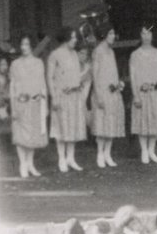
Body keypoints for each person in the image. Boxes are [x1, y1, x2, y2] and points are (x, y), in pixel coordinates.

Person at [47, 27, 89, 174]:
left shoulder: (74, 54)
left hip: (74, 95)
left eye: (75, 37)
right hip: (61, 96)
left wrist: (85, 75)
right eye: (72, 37)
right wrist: (54, 97)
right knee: (61, 128)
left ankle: (71, 158)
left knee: (72, 127)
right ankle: (61, 159)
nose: (75, 40)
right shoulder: (55, 55)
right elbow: (50, 78)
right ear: (65, 38)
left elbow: (77, 76)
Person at [8, 36, 50, 179]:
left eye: (27, 44)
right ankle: (22, 164)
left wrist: (45, 105)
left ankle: (30, 163)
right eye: (22, 44)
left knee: (32, 135)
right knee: (21, 134)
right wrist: (13, 107)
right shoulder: (15, 64)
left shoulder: (39, 63)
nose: (24, 47)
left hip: (35, 103)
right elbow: (13, 86)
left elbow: (43, 84)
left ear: (32, 46)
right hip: (20, 103)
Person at [131, 26, 157, 162]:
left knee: (155, 120)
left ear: (152, 35)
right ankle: (144, 150)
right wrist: (136, 95)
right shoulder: (135, 54)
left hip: (156, 92)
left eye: (149, 33)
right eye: (143, 33)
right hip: (142, 92)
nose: (146, 36)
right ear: (140, 35)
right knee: (143, 121)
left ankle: (151, 150)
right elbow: (133, 76)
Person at [90, 27, 128, 168]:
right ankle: (100, 154)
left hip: (113, 92)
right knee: (102, 124)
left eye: (113, 33)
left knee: (111, 123)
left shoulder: (111, 52)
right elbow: (95, 74)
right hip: (102, 92)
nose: (113, 36)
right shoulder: (97, 51)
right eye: (110, 33)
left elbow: (113, 72)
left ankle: (108, 154)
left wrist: (118, 84)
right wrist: (98, 95)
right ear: (104, 34)